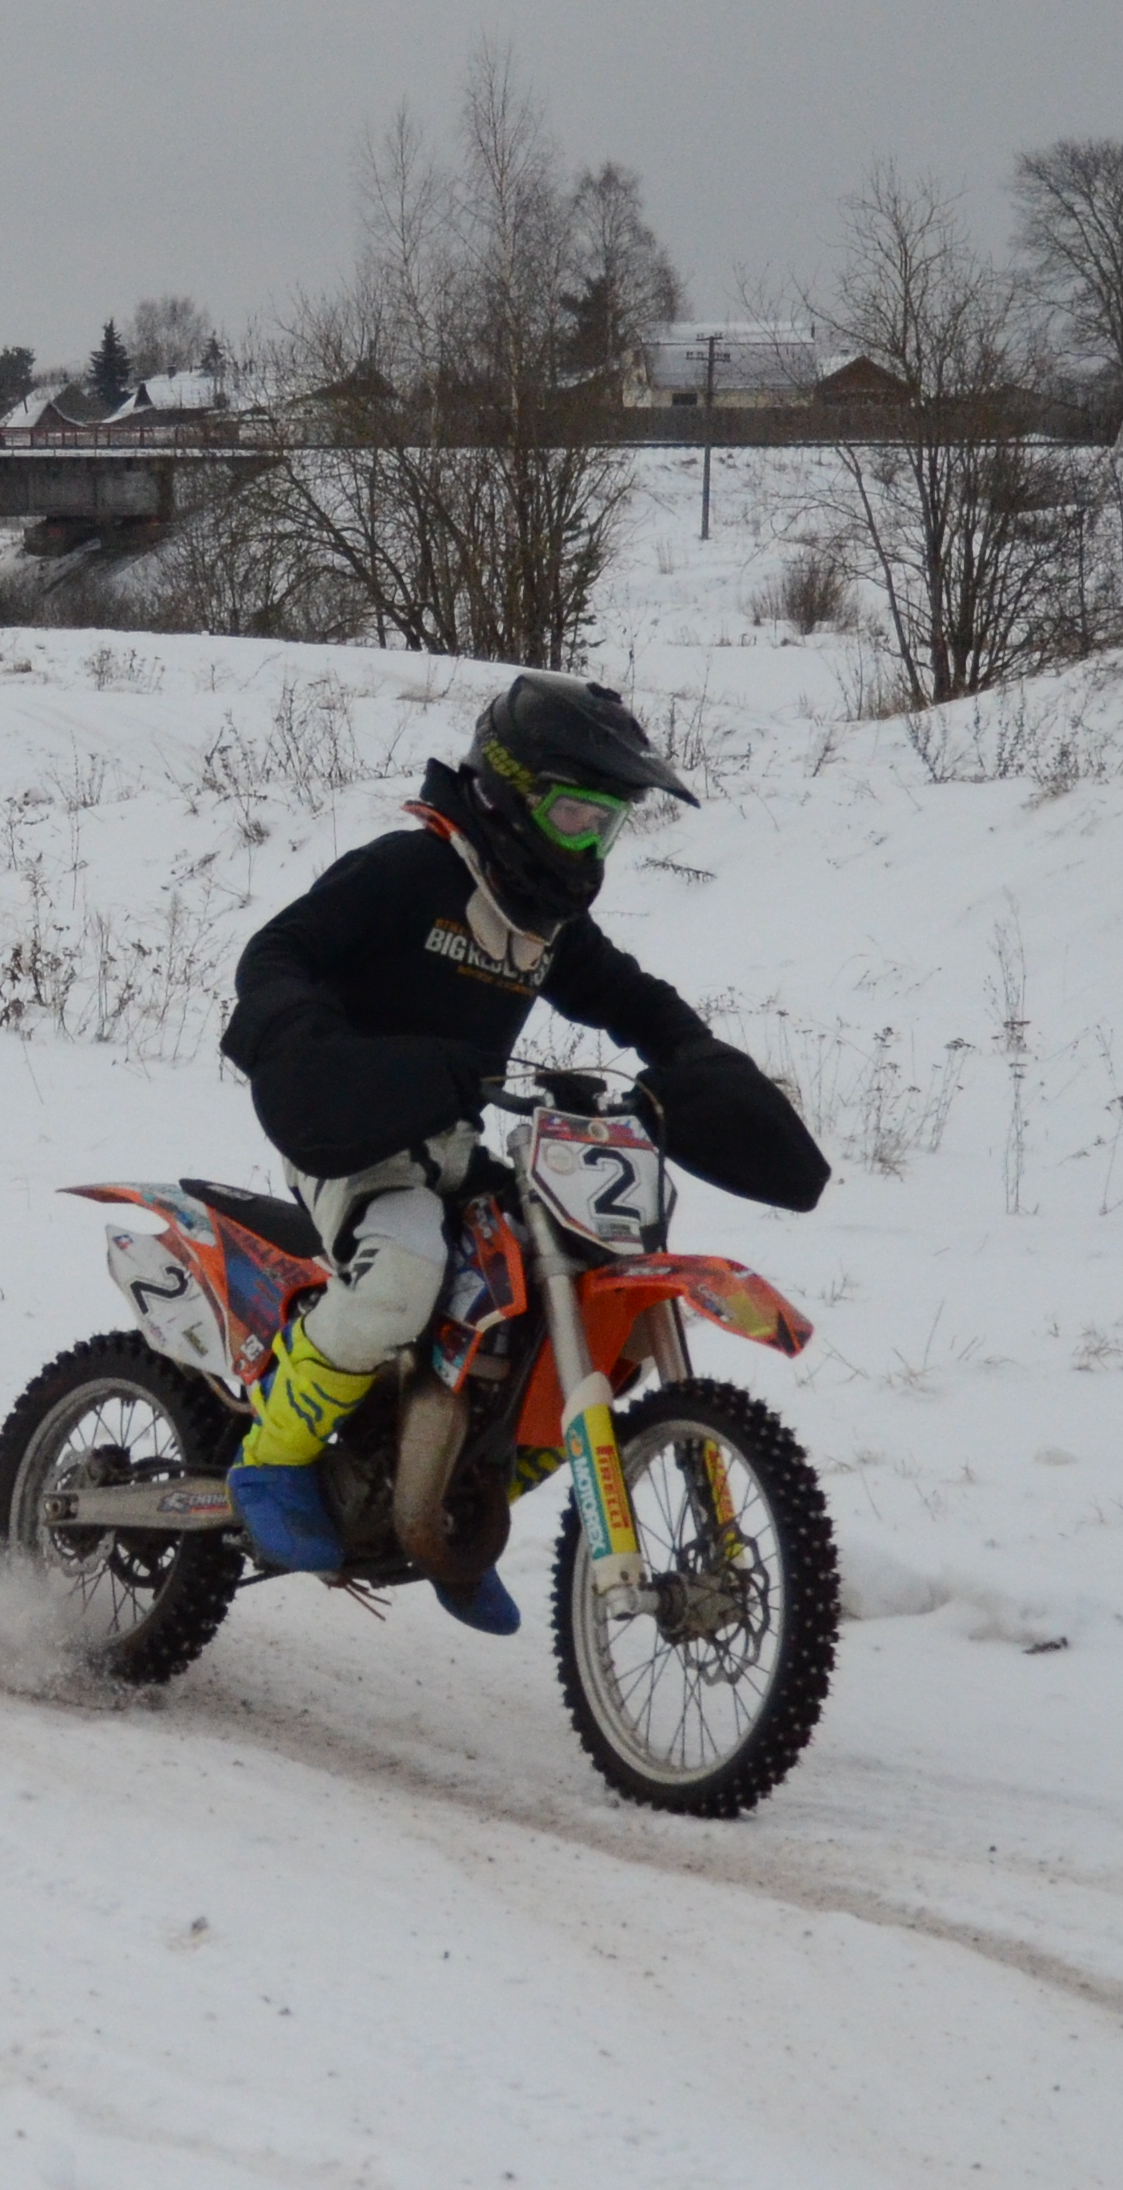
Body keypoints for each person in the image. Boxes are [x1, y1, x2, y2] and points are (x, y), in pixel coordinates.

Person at [213, 669, 826, 1626]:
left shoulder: (541, 919)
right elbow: (277, 953)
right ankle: (272, 1459)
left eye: (607, 826)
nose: (589, 843)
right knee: (404, 1269)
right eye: (577, 814)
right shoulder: (410, 872)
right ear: (506, 789)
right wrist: (304, 1035)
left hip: (452, 1138)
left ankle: (460, 1502)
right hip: (356, 1132)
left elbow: (630, 998)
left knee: (551, 1306)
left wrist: (691, 1057)